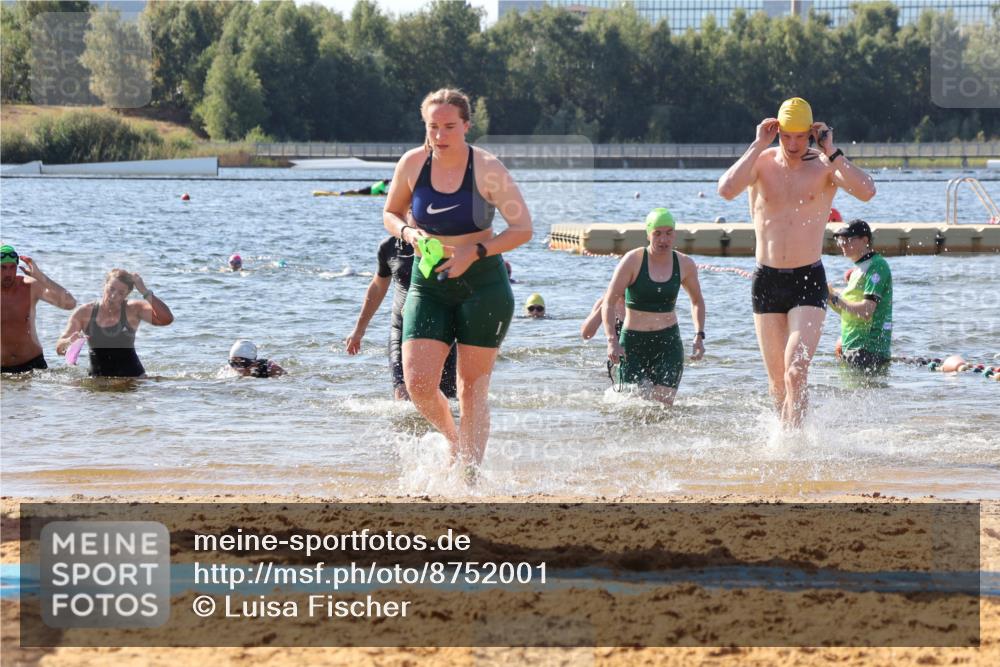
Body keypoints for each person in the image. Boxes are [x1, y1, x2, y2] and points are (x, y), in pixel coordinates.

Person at [383, 87, 532, 470]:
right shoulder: (412, 163)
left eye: (449, 126)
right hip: (428, 284)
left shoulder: (488, 168)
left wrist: (475, 252)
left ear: (466, 125)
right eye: (432, 126)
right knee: (418, 385)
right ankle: (453, 439)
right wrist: (409, 233)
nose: (440, 135)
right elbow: (391, 213)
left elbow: (523, 228)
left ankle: (468, 476)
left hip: (482, 285)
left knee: (471, 389)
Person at [717, 97, 876, 426]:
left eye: (800, 137)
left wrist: (832, 150)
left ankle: (796, 444)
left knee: (796, 371)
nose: (792, 144)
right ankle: (787, 441)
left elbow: (867, 191)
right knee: (778, 384)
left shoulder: (825, 165)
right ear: (777, 132)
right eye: (786, 136)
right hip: (767, 280)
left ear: (811, 134)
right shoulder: (761, 162)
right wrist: (758, 143)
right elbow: (726, 190)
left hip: (807, 279)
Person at [602, 209, 706, 405]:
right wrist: (611, 340)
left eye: (668, 233)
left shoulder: (685, 264)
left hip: (668, 344)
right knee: (630, 408)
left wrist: (699, 335)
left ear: (675, 234)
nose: (663, 239)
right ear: (648, 234)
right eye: (657, 233)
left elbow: (697, 301)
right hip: (633, 344)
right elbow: (608, 302)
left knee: (662, 408)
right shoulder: (633, 260)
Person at [345, 236, 457, 400]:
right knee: (402, 394)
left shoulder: (444, 242)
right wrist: (359, 330)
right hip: (401, 330)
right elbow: (378, 287)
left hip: (441, 332)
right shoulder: (389, 246)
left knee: (447, 399)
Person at [56, 269, 174, 377]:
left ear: (127, 294)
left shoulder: (133, 309)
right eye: (111, 289)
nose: (113, 295)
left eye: (121, 293)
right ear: (104, 285)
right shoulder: (84, 313)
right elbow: (59, 349)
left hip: (133, 380)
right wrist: (69, 341)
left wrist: (144, 291)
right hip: (97, 382)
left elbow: (166, 319)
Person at [827, 220, 893, 374]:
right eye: (840, 240)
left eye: (848, 239)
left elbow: (866, 311)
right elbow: (847, 310)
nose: (843, 244)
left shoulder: (877, 266)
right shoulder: (857, 270)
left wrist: (836, 299)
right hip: (852, 348)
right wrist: (828, 296)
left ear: (865, 240)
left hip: (868, 351)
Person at [1, 245, 77, 373]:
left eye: (12, 267)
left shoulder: (29, 286)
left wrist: (40, 276)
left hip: (33, 365)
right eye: (3, 267)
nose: (8, 273)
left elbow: (70, 303)